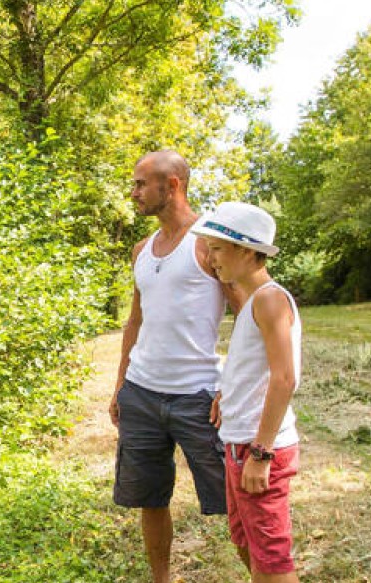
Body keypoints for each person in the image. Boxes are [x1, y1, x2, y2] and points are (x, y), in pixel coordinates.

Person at [109, 150, 241, 583]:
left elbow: (250, 316)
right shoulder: (141, 250)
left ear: (173, 186)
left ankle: (263, 575)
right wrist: (120, 386)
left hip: (199, 397)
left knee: (237, 499)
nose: (133, 193)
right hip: (142, 393)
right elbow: (135, 321)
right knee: (151, 497)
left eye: (140, 184)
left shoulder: (209, 243)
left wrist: (233, 386)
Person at [192, 201, 302, 582]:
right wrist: (228, 392)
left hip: (258, 448)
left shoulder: (271, 299)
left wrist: (262, 452)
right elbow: (251, 366)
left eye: (218, 248)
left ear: (247, 249)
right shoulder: (251, 302)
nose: (210, 258)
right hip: (237, 444)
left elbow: (284, 377)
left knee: (271, 559)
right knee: (247, 544)